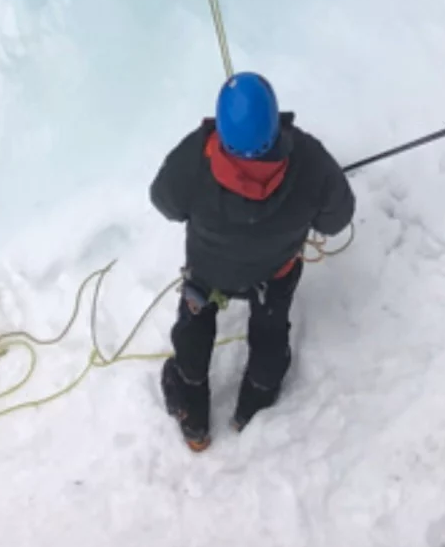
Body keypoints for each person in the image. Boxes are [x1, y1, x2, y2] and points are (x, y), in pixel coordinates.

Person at [149, 71, 354, 452]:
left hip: (207, 274)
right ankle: (254, 403)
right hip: (273, 274)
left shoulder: (196, 158)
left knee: (194, 327)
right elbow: (336, 220)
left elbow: (165, 202)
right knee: (270, 332)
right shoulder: (310, 162)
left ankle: (192, 415)